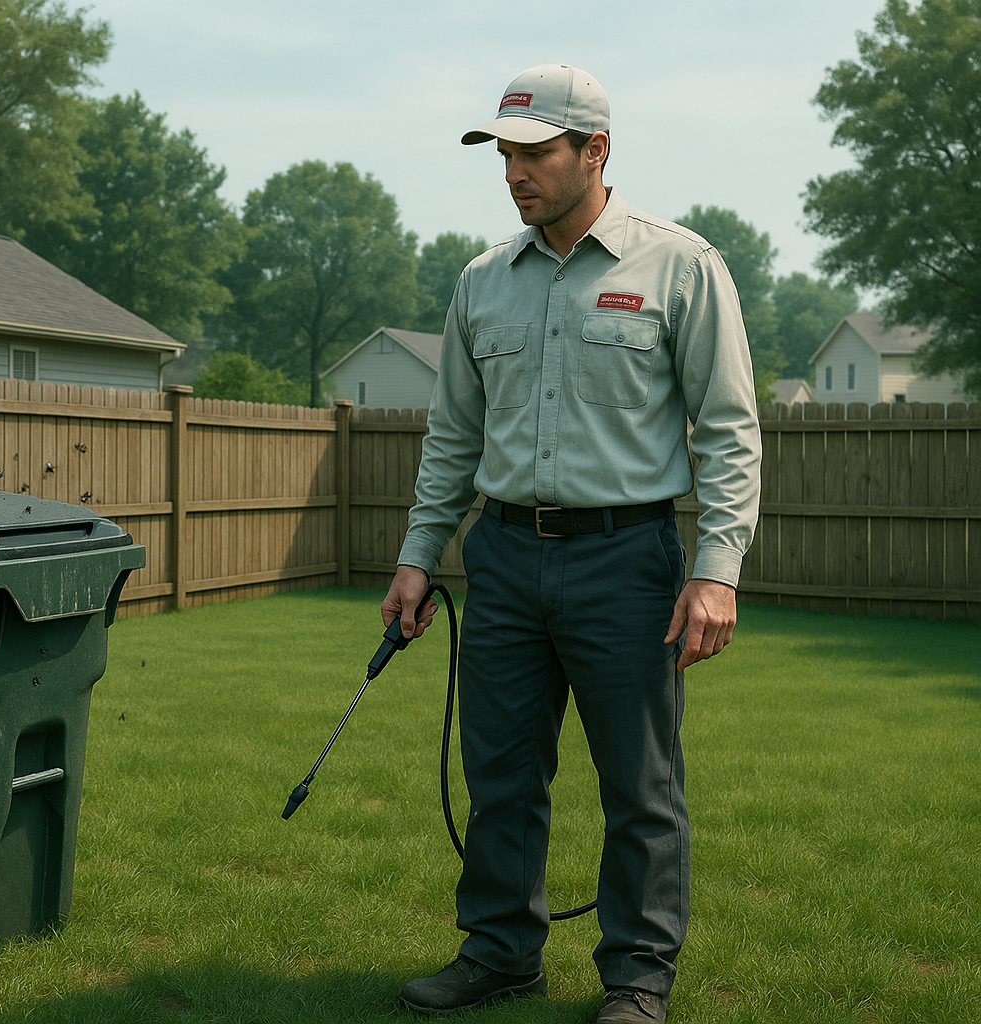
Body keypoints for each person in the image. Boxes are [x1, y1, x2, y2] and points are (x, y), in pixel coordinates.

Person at [385, 65, 761, 1023]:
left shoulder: (679, 266)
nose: (515, 173)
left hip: (625, 560)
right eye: (505, 153)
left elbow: (728, 430)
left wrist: (716, 571)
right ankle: (502, 952)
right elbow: (454, 440)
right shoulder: (482, 284)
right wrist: (420, 555)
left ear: (596, 150)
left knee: (641, 784)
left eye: (536, 152)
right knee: (501, 773)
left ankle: (638, 978)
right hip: (504, 559)